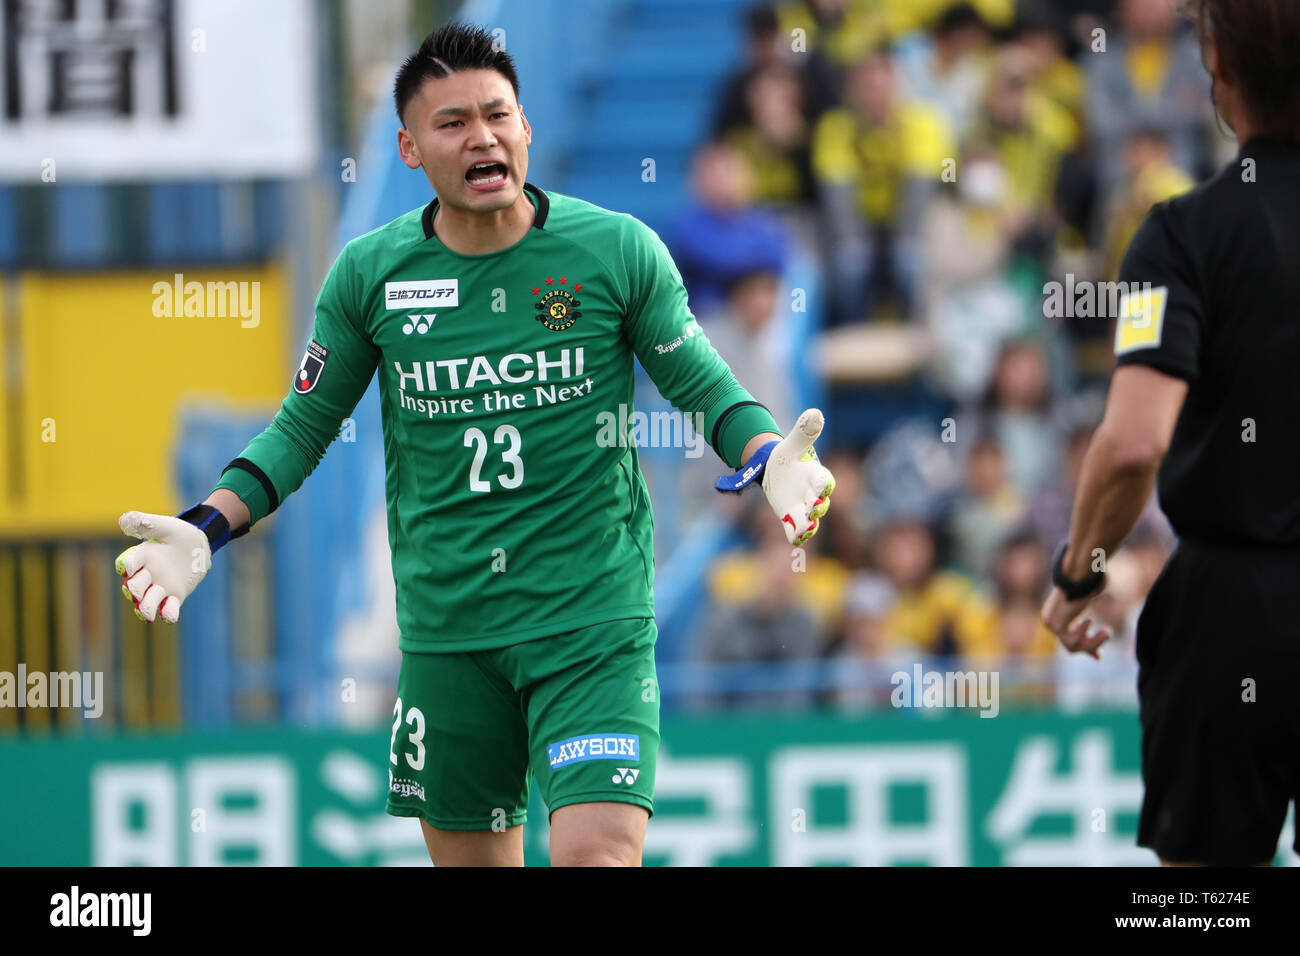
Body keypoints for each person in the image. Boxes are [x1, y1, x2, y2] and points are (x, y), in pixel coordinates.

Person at [112, 23, 835, 868]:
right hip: (449, 633)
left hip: (590, 619)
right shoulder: (368, 276)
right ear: (409, 148)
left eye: (498, 114)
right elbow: (303, 427)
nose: (482, 135)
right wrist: (207, 525)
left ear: (526, 127)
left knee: (597, 854)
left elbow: (705, 386)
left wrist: (766, 455)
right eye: (452, 122)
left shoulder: (616, 252)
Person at [1041, 0, 1300, 867]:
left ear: (1216, 65)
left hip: (1229, 610)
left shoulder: (1180, 237)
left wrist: (1080, 570)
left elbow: (1134, 442)